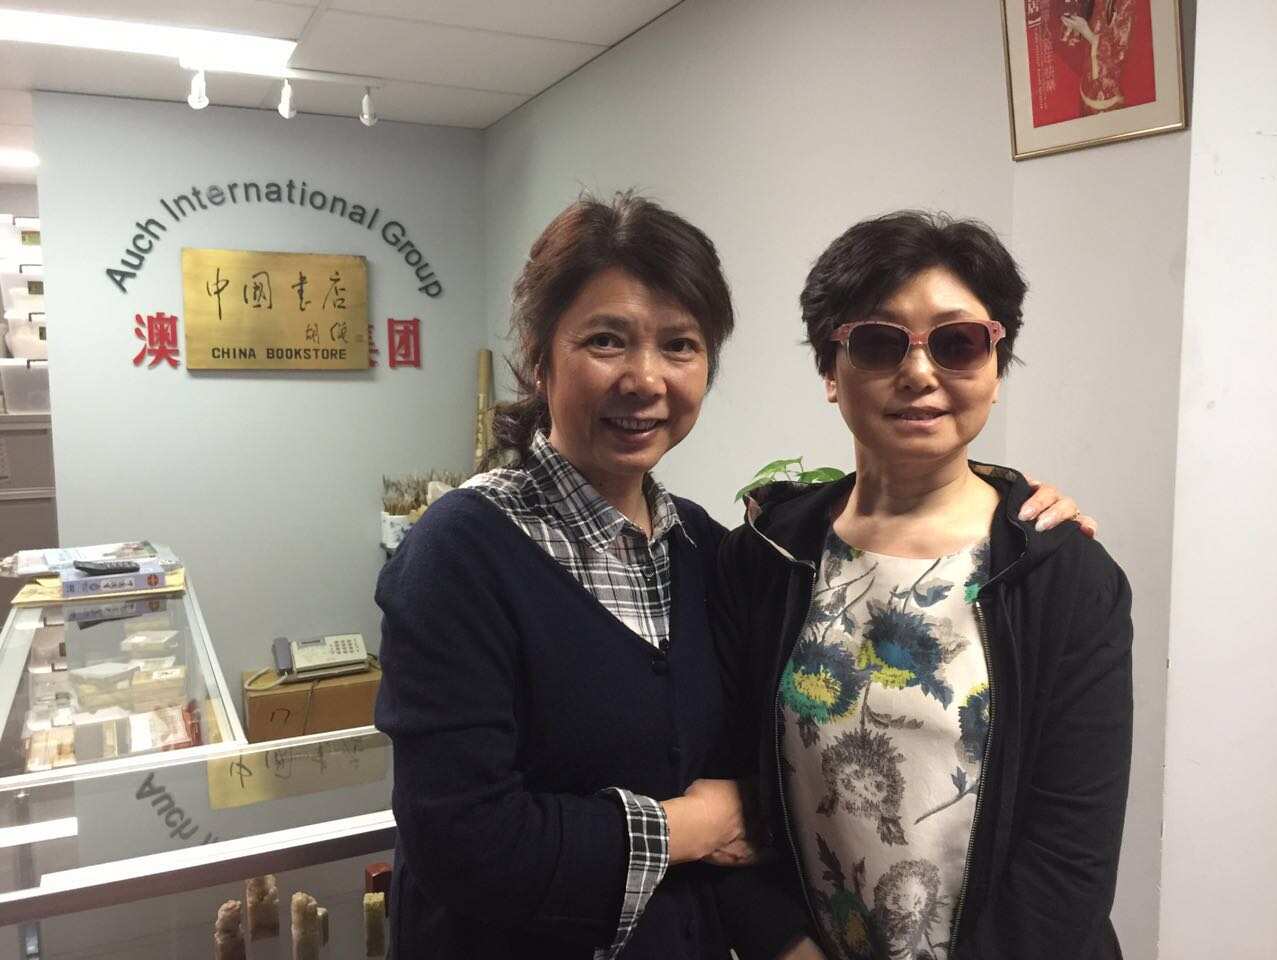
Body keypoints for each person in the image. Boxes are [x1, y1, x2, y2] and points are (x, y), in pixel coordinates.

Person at [374, 194, 1089, 959]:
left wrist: (1008, 502)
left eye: (679, 345)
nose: (645, 378)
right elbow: (464, 841)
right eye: (607, 340)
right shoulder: (464, 549)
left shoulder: (707, 549)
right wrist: (695, 827)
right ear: (540, 354)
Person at [713, 212, 1132, 960]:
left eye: (956, 342)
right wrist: (782, 944)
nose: (919, 372)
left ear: (996, 367)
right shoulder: (766, 556)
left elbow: (1071, 853)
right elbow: (731, 783)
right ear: (829, 371)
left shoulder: (1062, 574)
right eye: (879, 343)